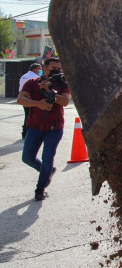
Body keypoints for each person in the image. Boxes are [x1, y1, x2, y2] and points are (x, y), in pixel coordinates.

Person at [17, 58, 71, 201]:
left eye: (59, 69)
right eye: (53, 68)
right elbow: (20, 99)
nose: (57, 71)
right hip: (35, 126)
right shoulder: (32, 83)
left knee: (48, 158)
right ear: (44, 68)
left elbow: (65, 101)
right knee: (27, 157)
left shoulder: (63, 84)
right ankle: (47, 172)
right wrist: (37, 104)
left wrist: (50, 91)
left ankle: (40, 188)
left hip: (55, 128)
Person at [19, 63, 42, 139]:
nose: (40, 70)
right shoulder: (35, 77)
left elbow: (20, 89)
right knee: (32, 116)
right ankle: (29, 133)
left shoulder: (23, 76)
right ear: (34, 69)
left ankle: (24, 132)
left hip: (24, 98)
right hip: (33, 99)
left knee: (27, 115)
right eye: (39, 69)